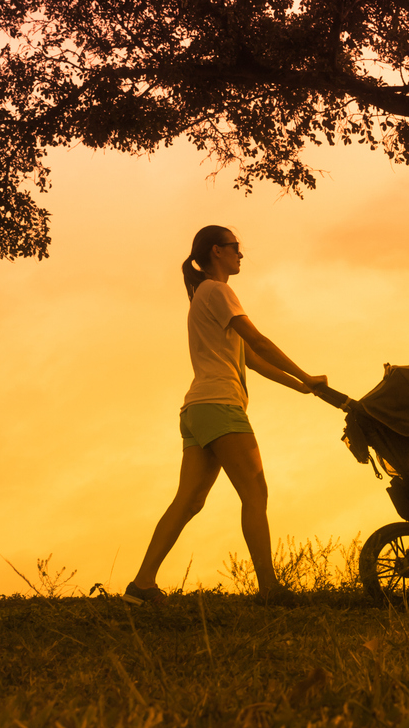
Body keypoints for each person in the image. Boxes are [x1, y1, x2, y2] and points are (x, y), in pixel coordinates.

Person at [125, 225, 326, 604]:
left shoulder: (202, 295)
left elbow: (251, 358)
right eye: (236, 247)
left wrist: (299, 386)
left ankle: (142, 585)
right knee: (255, 493)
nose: (241, 254)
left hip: (197, 409)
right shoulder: (218, 291)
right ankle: (270, 590)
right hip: (220, 405)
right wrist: (305, 373)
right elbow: (258, 340)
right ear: (217, 251)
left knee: (189, 500)